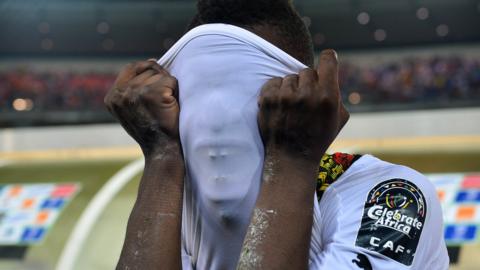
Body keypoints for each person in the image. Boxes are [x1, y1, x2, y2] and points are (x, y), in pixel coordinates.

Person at [104, 0, 449, 269]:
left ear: (306, 101)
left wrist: (291, 160)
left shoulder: (394, 197)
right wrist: (161, 155)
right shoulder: (180, 209)